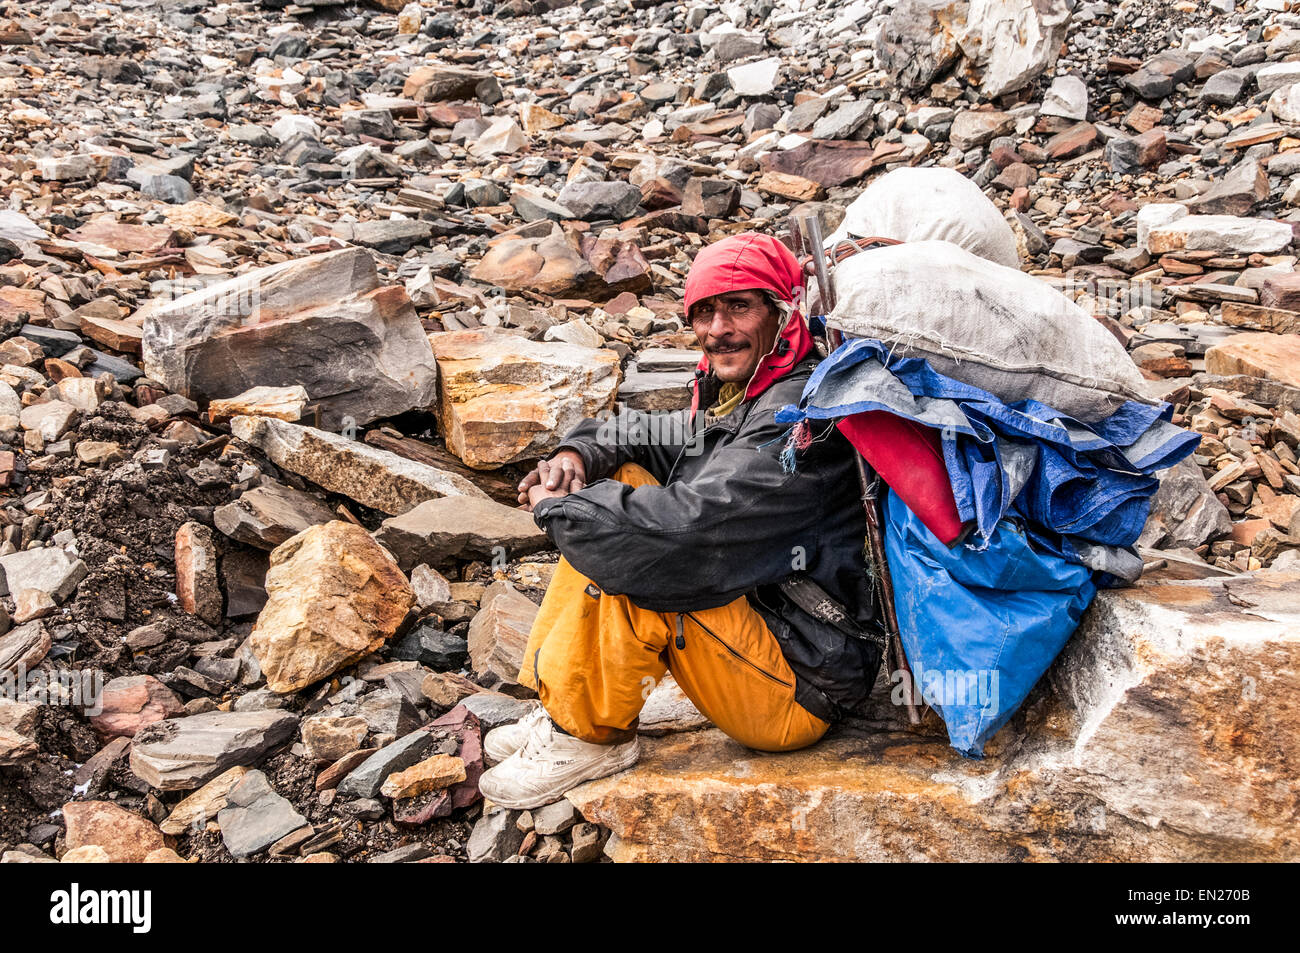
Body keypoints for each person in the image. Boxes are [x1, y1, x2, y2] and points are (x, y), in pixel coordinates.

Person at [476, 232, 883, 810]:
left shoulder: (797, 419)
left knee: (640, 555)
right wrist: (576, 457)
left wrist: (556, 508)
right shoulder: (747, 391)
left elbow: (685, 531)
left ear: (783, 313)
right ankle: (564, 704)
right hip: (766, 628)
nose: (718, 328)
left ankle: (589, 734)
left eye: (739, 306)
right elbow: (643, 435)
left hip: (800, 688)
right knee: (624, 483)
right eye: (704, 312)